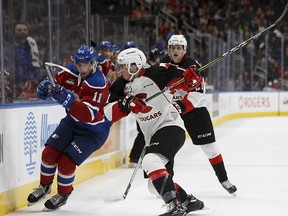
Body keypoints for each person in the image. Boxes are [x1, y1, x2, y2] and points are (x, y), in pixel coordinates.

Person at [105, 48, 204, 216]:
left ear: (135, 66)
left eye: (123, 66)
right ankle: (188, 201)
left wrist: (191, 79)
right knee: (154, 187)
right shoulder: (120, 85)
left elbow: (190, 81)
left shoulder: (158, 72)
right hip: (152, 136)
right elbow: (108, 113)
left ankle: (174, 206)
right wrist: (125, 104)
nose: (120, 70)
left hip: (170, 126)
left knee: (150, 161)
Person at [27, 45, 112, 211]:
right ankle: (44, 187)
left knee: (66, 163)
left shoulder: (98, 83)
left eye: (86, 64)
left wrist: (66, 99)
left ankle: (63, 194)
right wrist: (45, 88)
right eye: (79, 64)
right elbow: (54, 84)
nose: (82, 68)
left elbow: (87, 115)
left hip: (93, 132)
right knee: (49, 153)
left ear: (94, 63)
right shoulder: (71, 71)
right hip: (72, 122)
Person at [162, 34, 237, 196]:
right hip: (171, 109)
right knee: (166, 145)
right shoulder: (163, 64)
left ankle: (224, 179)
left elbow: (198, 94)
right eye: (173, 48)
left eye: (179, 48)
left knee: (210, 148)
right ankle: (165, 183)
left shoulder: (193, 66)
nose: (175, 51)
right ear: (169, 49)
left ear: (184, 50)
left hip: (194, 110)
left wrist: (181, 102)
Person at [6, 22, 41, 98]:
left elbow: (35, 64)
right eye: (19, 30)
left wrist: (35, 79)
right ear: (14, 32)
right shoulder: (9, 48)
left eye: (25, 30)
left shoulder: (32, 45)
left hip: (30, 83)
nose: (22, 32)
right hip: (15, 83)